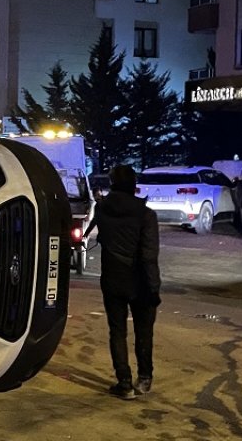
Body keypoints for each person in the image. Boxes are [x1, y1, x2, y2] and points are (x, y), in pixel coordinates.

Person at [82, 165, 161, 400]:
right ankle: (144, 378)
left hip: (113, 278)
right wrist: (154, 287)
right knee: (144, 331)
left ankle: (124, 382)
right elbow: (149, 255)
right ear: (133, 185)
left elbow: (100, 235)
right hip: (141, 280)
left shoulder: (103, 209)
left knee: (117, 331)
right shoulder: (146, 215)